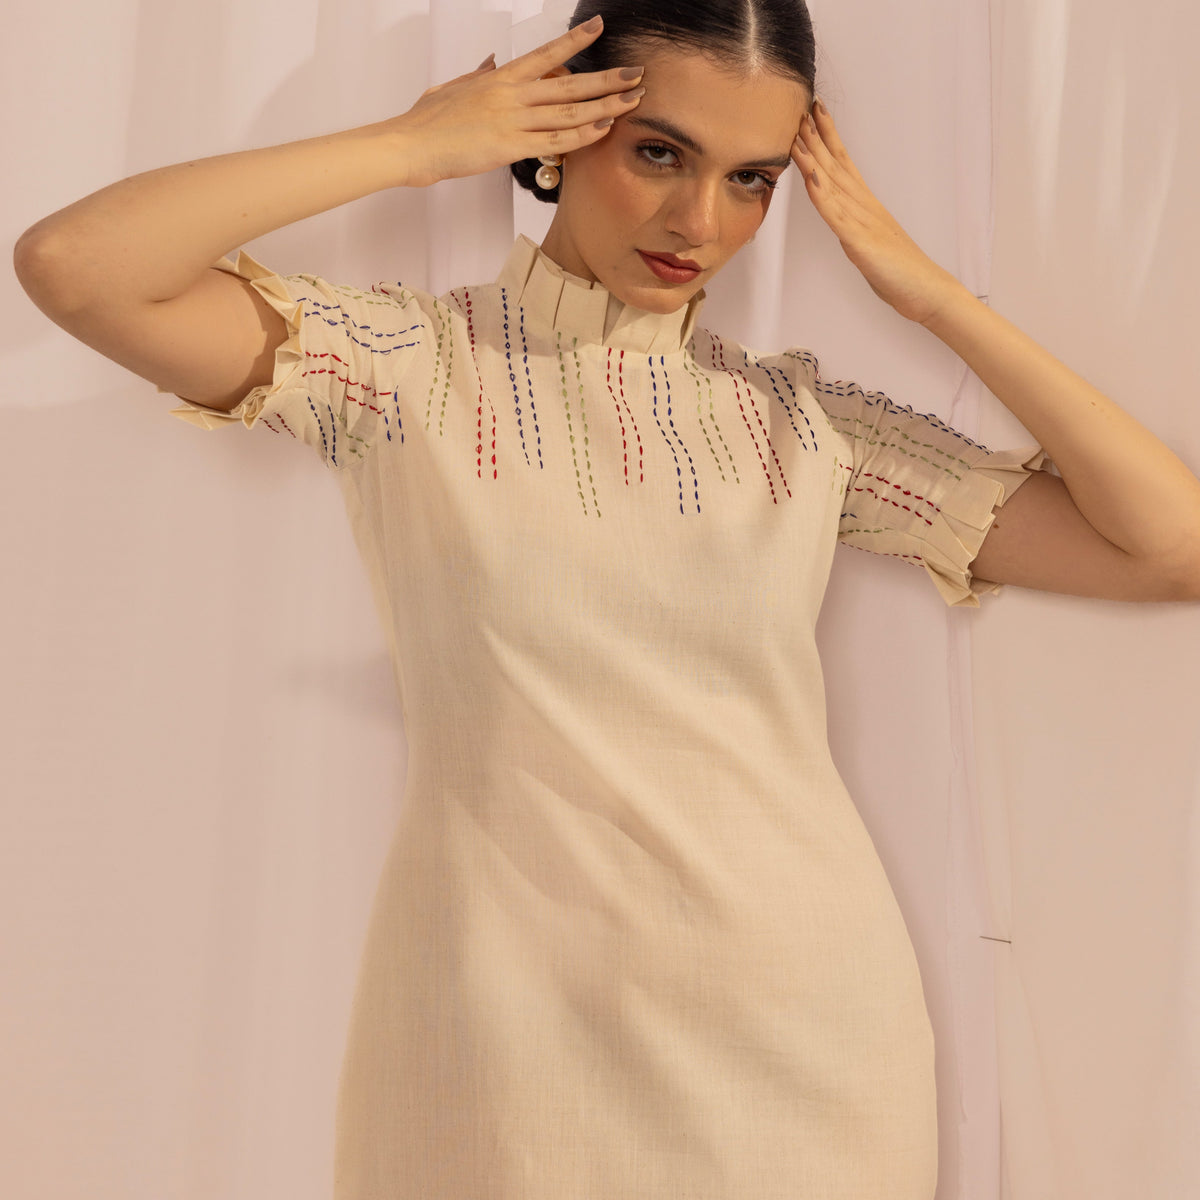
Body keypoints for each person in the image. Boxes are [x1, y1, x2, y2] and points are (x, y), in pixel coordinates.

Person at [13, 1, 1200, 1196]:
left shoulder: (804, 424)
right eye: (658, 153)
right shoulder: (398, 365)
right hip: (497, 1042)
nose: (700, 220)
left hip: (803, 1036)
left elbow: (1171, 547)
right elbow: (76, 268)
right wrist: (416, 145)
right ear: (559, 130)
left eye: (753, 180)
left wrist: (931, 294)